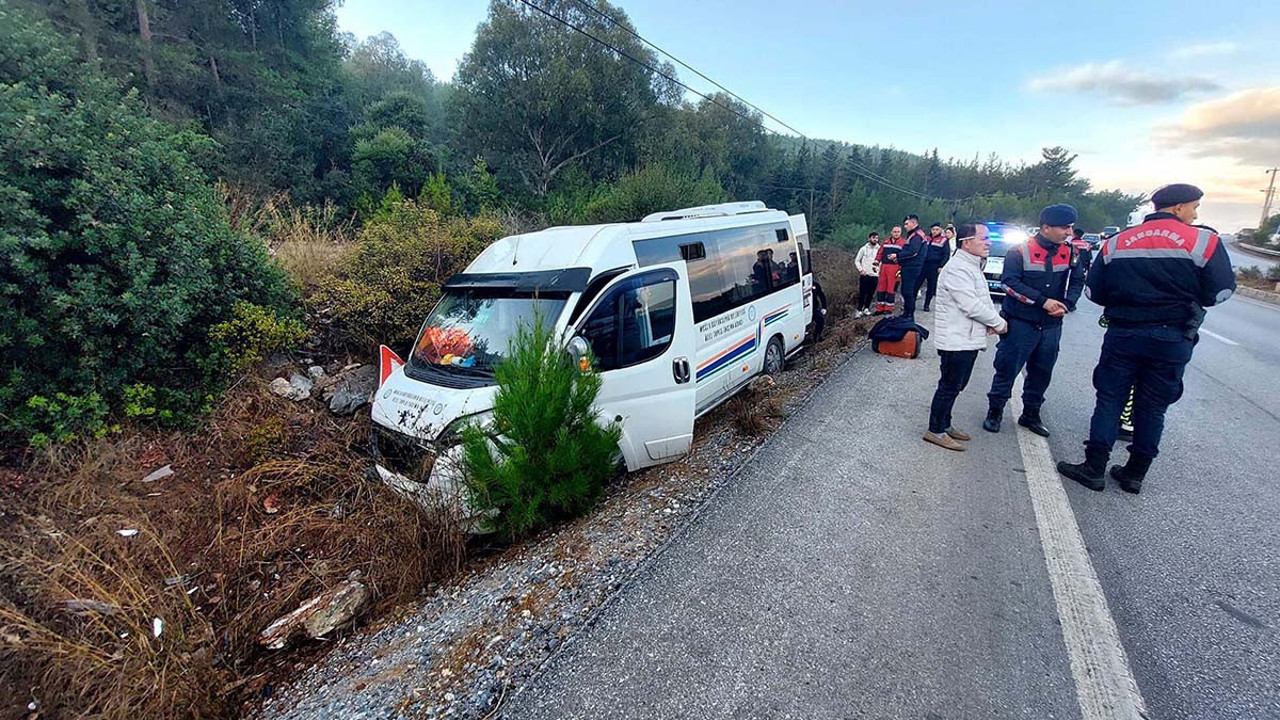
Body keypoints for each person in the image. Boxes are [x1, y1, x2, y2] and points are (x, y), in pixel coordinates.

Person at [1058, 184, 1235, 493]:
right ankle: (1134, 474)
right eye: (1194, 207)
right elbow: (1220, 291)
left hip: (1124, 332)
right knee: (1153, 407)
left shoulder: (1117, 243)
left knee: (1110, 399)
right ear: (1178, 207)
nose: (1196, 214)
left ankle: (1094, 468)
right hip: (1173, 337)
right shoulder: (1204, 241)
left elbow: (1094, 291)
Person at [982, 204, 1086, 437]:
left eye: (1070, 227)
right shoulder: (1019, 251)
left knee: (1042, 372)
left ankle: (1031, 414)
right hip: (1021, 322)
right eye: (1065, 228)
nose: (1069, 232)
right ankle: (995, 411)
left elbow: (1078, 281)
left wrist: (1067, 304)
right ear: (1046, 227)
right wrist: (1042, 302)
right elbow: (1009, 283)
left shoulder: (1071, 252)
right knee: (1007, 368)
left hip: (1050, 326)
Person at [924, 222, 1009, 451]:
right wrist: (999, 324)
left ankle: (945, 423)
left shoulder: (972, 265)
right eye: (983, 238)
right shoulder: (958, 268)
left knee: (958, 384)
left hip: (967, 337)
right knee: (949, 385)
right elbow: (970, 305)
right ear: (967, 242)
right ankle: (935, 430)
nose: (988, 243)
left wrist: (989, 322)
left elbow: (983, 300)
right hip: (956, 339)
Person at [896, 215, 929, 320]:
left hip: (912, 267)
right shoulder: (913, 235)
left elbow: (913, 252)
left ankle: (909, 314)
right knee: (905, 290)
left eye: (907, 224)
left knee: (908, 291)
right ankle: (907, 313)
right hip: (909, 266)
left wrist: (897, 256)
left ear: (914, 223)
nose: (905, 226)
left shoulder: (916, 236)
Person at [920, 222, 950, 312]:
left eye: (937, 229)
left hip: (934, 265)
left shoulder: (944, 240)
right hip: (923, 264)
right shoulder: (926, 238)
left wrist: (941, 266)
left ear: (940, 230)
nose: (934, 231)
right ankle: (911, 303)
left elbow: (946, 254)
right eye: (933, 229)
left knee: (931, 286)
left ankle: (926, 305)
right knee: (917, 283)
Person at [874, 226, 904, 314]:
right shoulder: (886, 242)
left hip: (895, 268)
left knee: (891, 288)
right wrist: (876, 261)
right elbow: (880, 252)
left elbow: (905, 255)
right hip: (884, 266)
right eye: (894, 231)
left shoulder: (903, 243)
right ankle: (880, 308)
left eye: (898, 232)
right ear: (891, 232)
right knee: (881, 287)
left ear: (900, 233)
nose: (896, 233)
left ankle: (888, 308)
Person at [855, 232, 882, 316]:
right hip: (865, 274)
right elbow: (857, 260)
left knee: (871, 293)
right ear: (869, 238)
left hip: (875, 275)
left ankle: (866, 308)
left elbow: (882, 261)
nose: (875, 239)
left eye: (876, 238)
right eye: (873, 238)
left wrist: (879, 270)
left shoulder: (880, 249)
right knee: (862, 293)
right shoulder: (863, 248)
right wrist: (861, 270)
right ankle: (859, 310)